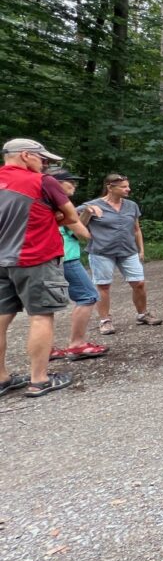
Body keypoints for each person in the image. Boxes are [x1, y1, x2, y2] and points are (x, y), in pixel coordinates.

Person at [0, 138, 79, 397]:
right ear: (25, 155)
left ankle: (2, 378)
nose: (45, 165)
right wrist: (51, 217)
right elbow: (71, 216)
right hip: (35, 258)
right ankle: (39, 379)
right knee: (41, 316)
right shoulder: (42, 182)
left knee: (1, 319)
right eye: (42, 159)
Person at [80, 173, 161, 334]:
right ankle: (105, 321)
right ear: (110, 187)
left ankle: (142, 314)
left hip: (128, 250)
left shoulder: (131, 206)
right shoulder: (91, 205)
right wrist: (88, 212)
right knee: (103, 285)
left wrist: (141, 250)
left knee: (139, 283)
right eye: (123, 187)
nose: (128, 189)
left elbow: (136, 229)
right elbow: (79, 225)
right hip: (101, 251)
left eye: (127, 186)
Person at [48, 169, 109, 361]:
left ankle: (46, 348)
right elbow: (83, 233)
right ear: (55, 184)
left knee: (43, 307)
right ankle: (77, 344)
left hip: (46, 259)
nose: (73, 185)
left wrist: (84, 213)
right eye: (69, 182)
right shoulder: (60, 206)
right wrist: (87, 213)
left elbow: (73, 230)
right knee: (88, 296)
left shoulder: (41, 203)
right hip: (65, 258)